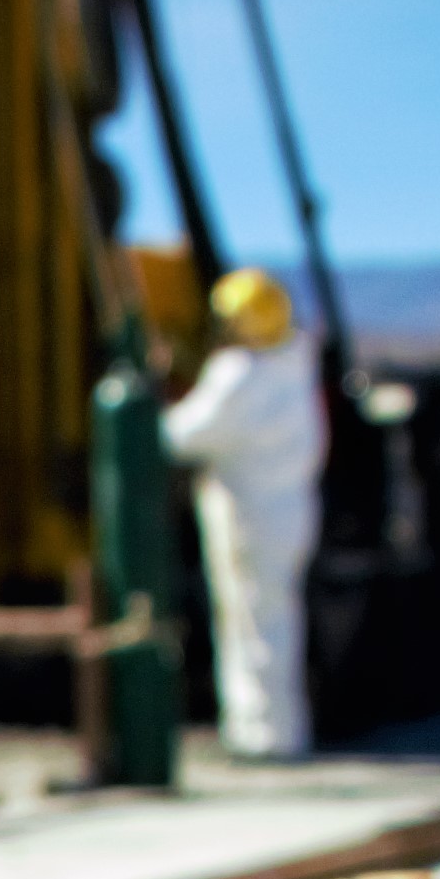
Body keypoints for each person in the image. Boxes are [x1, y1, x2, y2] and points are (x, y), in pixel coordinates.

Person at [163, 266, 325, 760]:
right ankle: (273, 729)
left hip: (249, 516)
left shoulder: (240, 376)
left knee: (252, 624)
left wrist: (151, 408)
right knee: (274, 619)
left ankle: (262, 736)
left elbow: (184, 435)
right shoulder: (295, 363)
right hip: (290, 510)